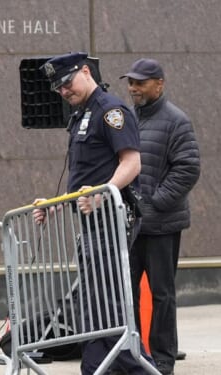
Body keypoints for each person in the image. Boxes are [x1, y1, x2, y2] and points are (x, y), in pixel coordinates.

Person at [32, 52, 154, 375]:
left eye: (67, 83)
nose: (64, 91)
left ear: (85, 71)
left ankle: (137, 369)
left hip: (111, 222)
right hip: (92, 224)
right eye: (58, 88)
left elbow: (132, 164)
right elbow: (85, 177)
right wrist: (56, 204)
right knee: (93, 305)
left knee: (107, 306)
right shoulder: (81, 114)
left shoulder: (110, 111)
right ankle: (97, 368)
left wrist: (102, 195)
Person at [121, 58, 201, 375]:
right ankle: (132, 354)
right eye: (131, 82)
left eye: (140, 82)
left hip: (162, 225)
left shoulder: (176, 121)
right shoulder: (126, 118)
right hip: (130, 225)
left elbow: (188, 169)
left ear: (160, 84)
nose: (133, 88)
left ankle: (163, 359)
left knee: (161, 294)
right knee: (125, 293)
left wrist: (154, 202)